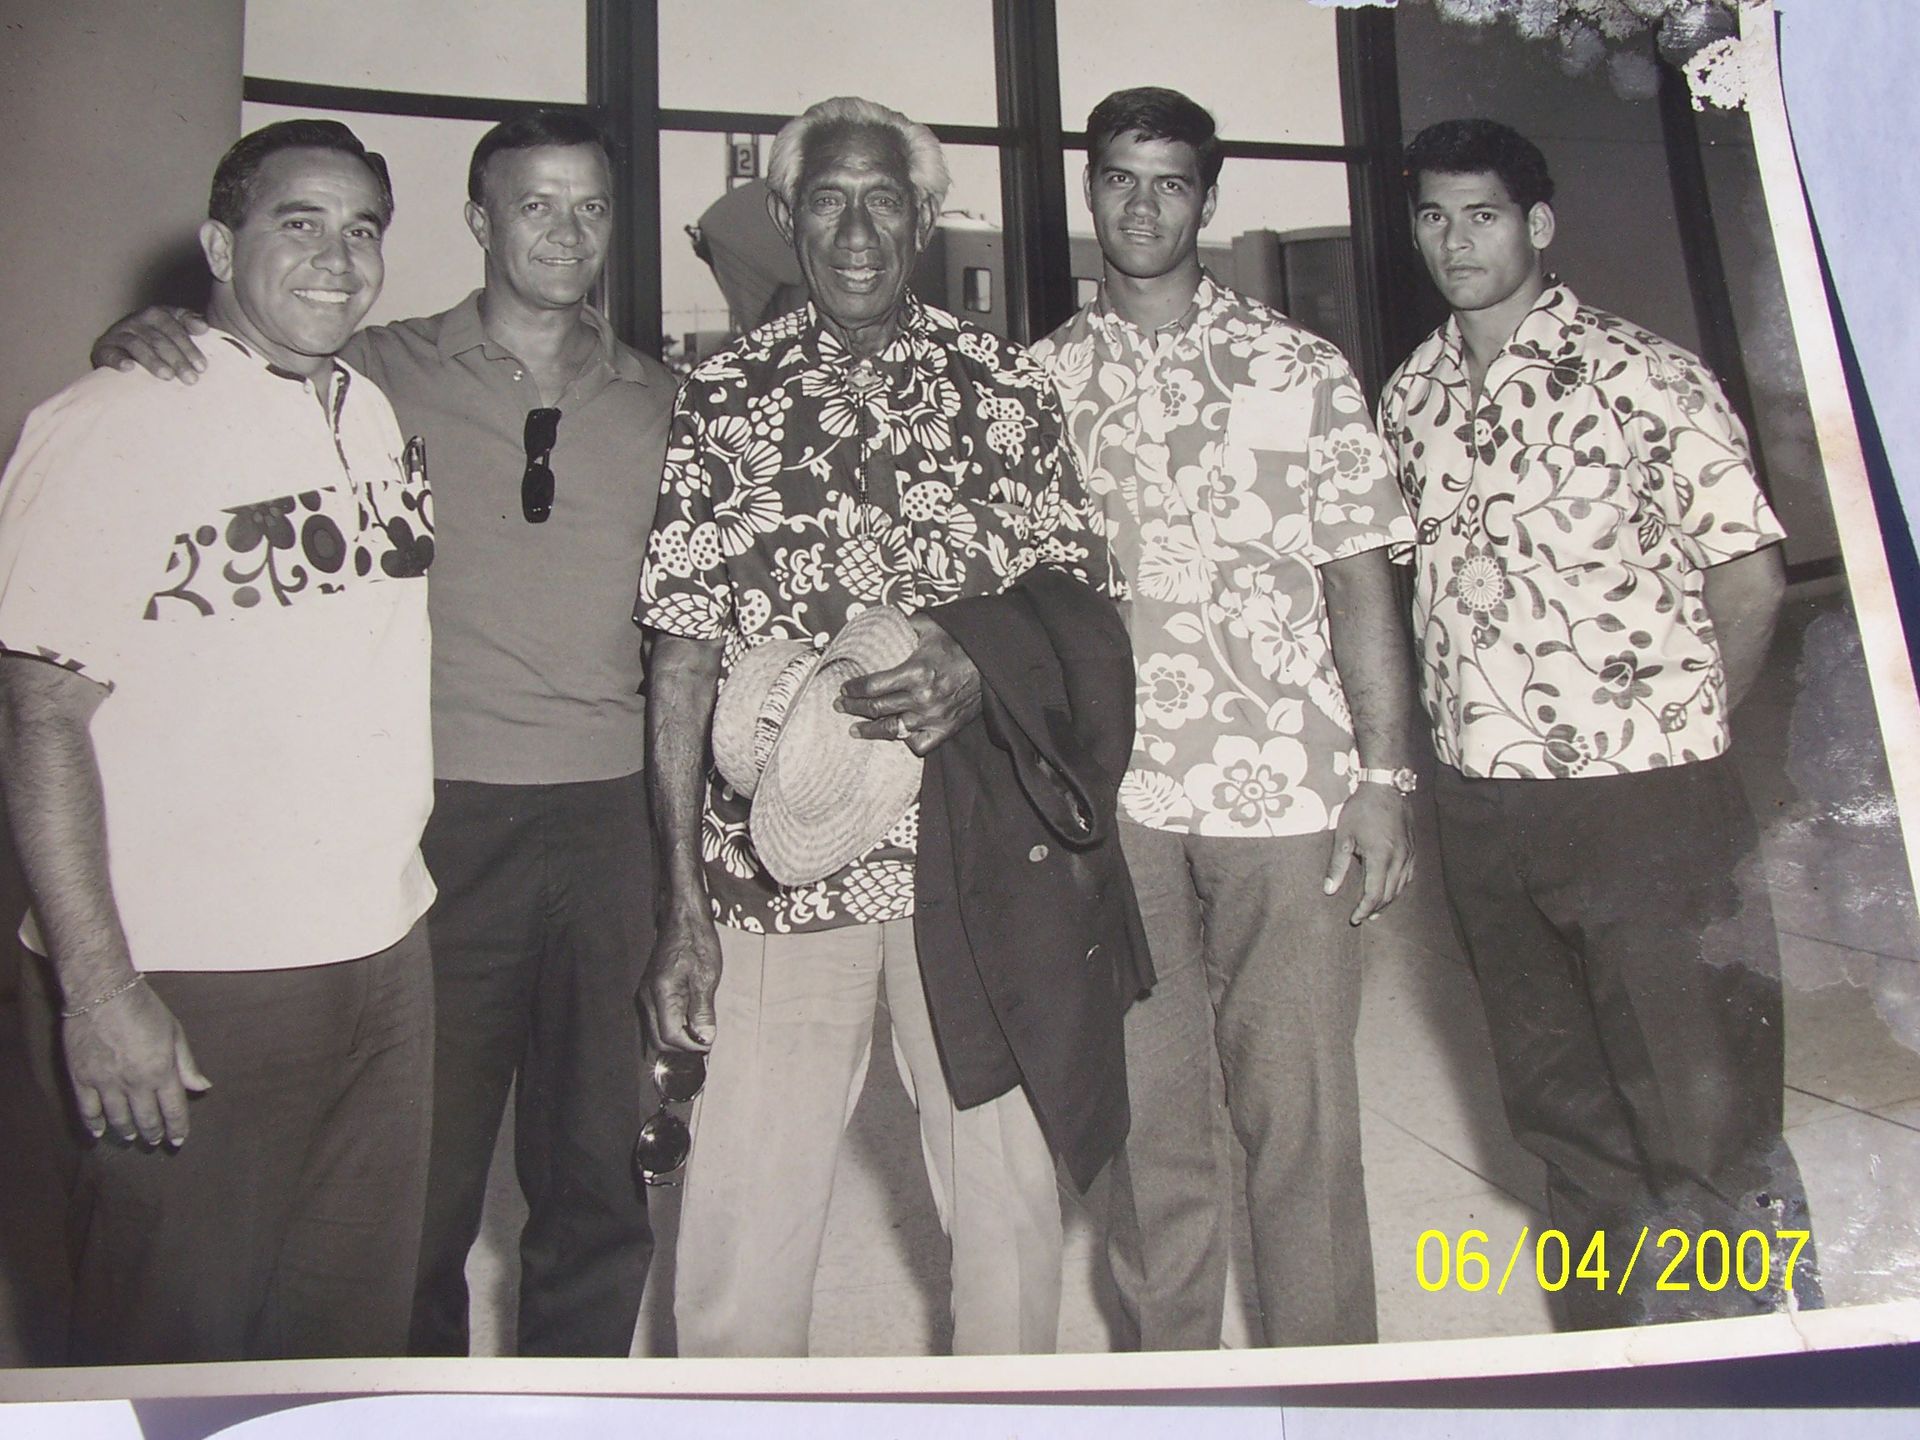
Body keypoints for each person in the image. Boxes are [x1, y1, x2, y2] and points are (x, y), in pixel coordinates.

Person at [93, 111, 674, 1358]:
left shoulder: (661, 400)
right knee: (412, 1191)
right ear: (479, 222)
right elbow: (234, 364)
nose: (564, 233)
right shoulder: (380, 372)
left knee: (595, 1176)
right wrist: (148, 337)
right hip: (433, 820)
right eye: (533, 204)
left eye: (589, 208)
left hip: (607, 819)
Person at [635, 95, 1114, 1358]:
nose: (857, 229)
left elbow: (1078, 597)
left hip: (971, 858)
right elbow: (682, 657)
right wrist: (681, 898)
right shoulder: (722, 395)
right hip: (773, 871)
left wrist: (977, 658)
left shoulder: (1001, 382)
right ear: (787, 218)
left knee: (1007, 1207)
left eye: (884, 197)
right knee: (740, 1224)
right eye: (829, 200)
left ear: (926, 214)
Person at [0, 119, 434, 1363]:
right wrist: (101, 992)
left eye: (362, 230)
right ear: (217, 244)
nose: (337, 259)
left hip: (381, 951)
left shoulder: (370, 403)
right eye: (298, 223)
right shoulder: (109, 419)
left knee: (340, 1340)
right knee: (174, 1342)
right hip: (194, 977)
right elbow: (38, 714)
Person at [1377, 117, 1815, 1328]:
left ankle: (1768, 1385)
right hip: (1484, 805)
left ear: (1538, 225)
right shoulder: (1409, 397)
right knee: (1560, 1115)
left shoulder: (1645, 374)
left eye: (1483, 214)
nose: (1456, 240)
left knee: (1702, 1123)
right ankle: (1613, 1370)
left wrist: (1672, 742)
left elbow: (1749, 579)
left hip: (1645, 800)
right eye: (1434, 216)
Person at [1028, 87, 1419, 1349]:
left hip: (1291, 794)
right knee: (1151, 1127)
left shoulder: (1298, 368)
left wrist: (1385, 779)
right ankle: (1172, 1385)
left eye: (1172, 182)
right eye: (1121, 180)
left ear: (1210, 198)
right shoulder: (1038, 385)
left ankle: (1331, 1386)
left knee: (1299, 1118)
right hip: (1123, 804)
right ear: (1089, 193)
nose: (1144, 206)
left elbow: (1361, 582)